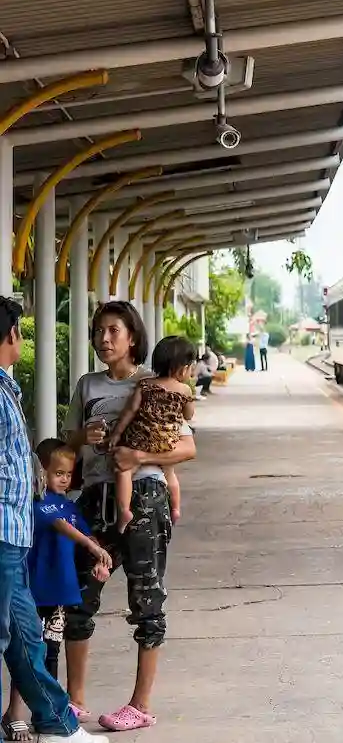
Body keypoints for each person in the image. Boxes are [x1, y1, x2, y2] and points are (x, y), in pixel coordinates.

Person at [62, 302, 197, 733]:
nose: (104, 339)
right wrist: (85, 436)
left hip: (145, 496)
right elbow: (67, 441)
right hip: (95, 500)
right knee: (78, 599)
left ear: (132, 337)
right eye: (99, 331)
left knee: (146, 599)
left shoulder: (156, 383)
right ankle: (74, 699)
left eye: (113, 331)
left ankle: (140, 704)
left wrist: (140, 454)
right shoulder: (87, 385)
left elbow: (187, 447)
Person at [0, 296, 106, 743]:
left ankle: (59, 726)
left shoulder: (7, 389)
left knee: (27, 641)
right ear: (9, 336)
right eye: (19, 330)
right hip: (3, 533)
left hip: (15, 536)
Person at [3, 441, 112, 742]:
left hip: (59, 593)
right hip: (35, 590)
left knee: (48, 653)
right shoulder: (39, 503)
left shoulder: (69, 504)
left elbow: (82, 531)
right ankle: (15, 713)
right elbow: (61, 525)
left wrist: (96, 560)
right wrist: (91, 545)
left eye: (68, 473)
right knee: (27, 652)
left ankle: (49, 715)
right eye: (57, 473)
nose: (63, 479)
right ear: (41, 473)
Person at [102, 337, 194, 534]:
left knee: (124, 471)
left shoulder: (144, 385)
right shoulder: (184, 390)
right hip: (167, 442)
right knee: (170, 474)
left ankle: (124, 510)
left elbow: (129, 411)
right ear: (183, 369)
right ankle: (176, 509)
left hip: (140, 440)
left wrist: (116, 434)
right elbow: (188, 414)